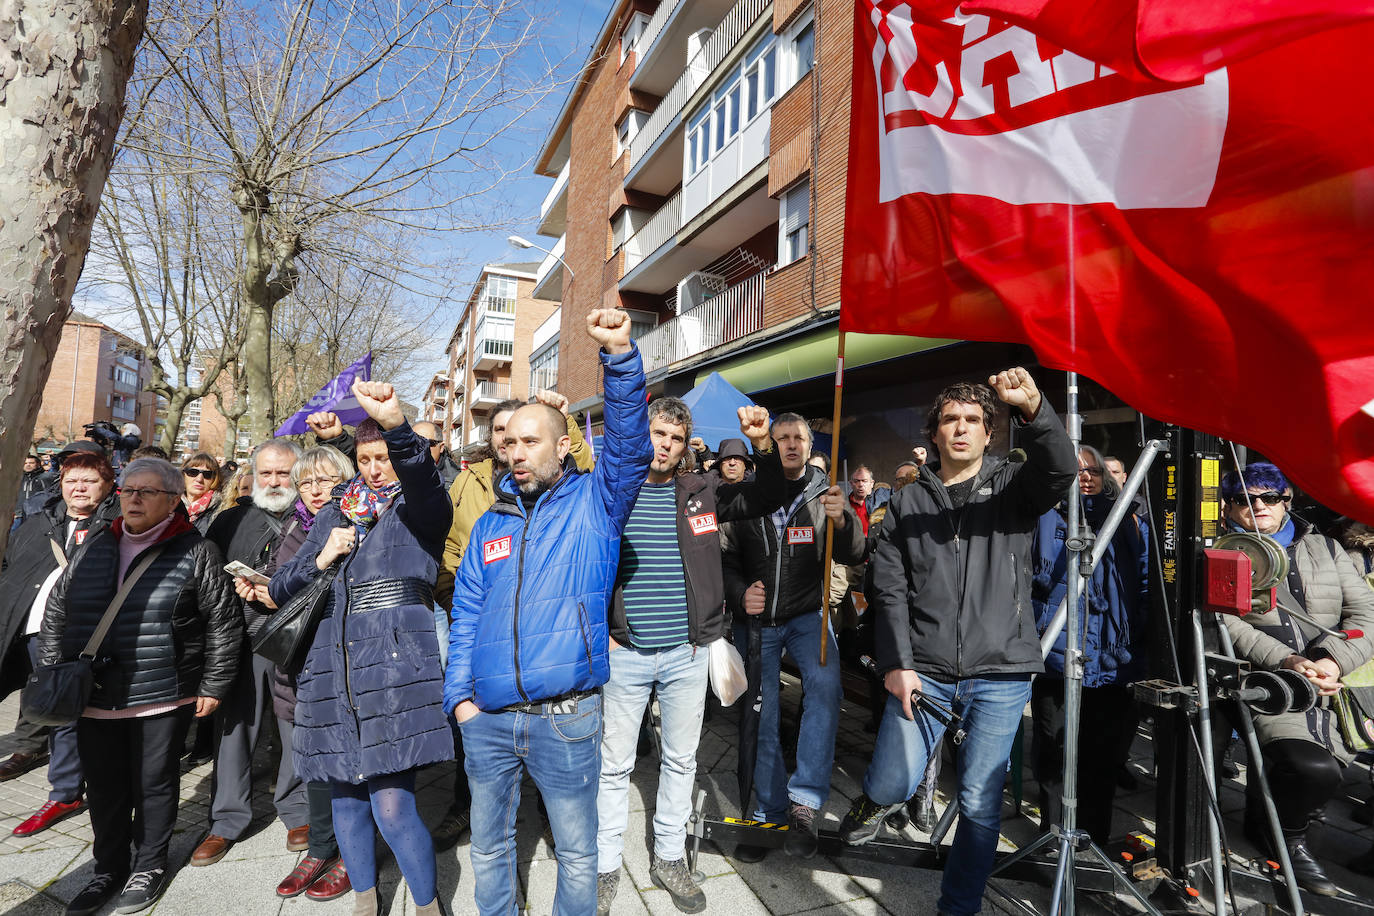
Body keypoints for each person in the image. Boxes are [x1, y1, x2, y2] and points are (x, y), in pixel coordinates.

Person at [838, 369, 1076, 916]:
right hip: (924, 668)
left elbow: (1061, 469)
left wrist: (1034, 409)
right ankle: (875, 800)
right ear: (935, 432)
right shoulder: (906, 503)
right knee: (894, 779)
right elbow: (888, 588)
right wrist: (896, 664)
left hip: (1001, 671)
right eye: (951, 419)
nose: (962, 428)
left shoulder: (1015, 486)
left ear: (990, 433)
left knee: (978, 802)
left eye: (973, 420)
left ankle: (958, 907)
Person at [446, 309, 652, 916]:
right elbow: (466, 613)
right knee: (489, 848)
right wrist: (460, 699)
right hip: (487, 719)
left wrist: (620, 357)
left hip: (566, 719)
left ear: (563, 445)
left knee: (577, 852)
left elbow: (629, 448)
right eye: (508, 442)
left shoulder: (597, 504)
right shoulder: (491, 523)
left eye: (530, 441)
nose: (516, 453)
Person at [271, 382, 454, 916]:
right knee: (346, 803)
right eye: (366, 459)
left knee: (393, 807)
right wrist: (320, 557)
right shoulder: (335, 513)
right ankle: (365, 901)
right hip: (328, 670)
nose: (375, 470)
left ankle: (427, 906)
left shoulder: (421, 508)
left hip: (393, 669)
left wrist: (396, 427)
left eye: (384, 458)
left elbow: (421, 475)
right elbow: (280, 587)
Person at [596, 399, 781, 914]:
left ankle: (669, 856)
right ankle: (605, 865)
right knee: (613, 767)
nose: (666, 445)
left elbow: (767, 494)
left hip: (687, 652)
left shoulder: (702, 491)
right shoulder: (613, 491)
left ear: (685, 447)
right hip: (625, 653)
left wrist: (763, 445)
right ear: (642, 433)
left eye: (676, 439)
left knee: (681, 760)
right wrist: (603, 633)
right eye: (659, 434)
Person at [39, 457, 241, 915]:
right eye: (129, 490)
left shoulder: (196, 551)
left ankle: (148, 865)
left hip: (162, 694)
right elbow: (57, 610)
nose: (133, 499)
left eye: (147, 492)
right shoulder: (96, 545)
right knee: (104, 788)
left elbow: (223, 623)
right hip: (93, 695)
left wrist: (214, 683)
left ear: (172, 501)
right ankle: (107, 868)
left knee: (154, 785)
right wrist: (53, 671)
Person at [426, 390, 593, 851]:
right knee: (485, 788)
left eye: (522, 435)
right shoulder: (470, 485)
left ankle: (547, 814)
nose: (509, 443)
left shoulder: (559, 489)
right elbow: (451, 547)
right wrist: (454, 598)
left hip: (548, 662)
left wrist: (565, 421)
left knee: (552, 768)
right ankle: (464, 806)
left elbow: (589, 468)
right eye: (502, 432)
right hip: (481, 638)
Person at [1219, 463, 1374, 896]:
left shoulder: (1326, 547)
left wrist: (1334, 661)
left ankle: (1273, 823)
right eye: (1246, 498)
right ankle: (1287, 841)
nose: (1259, 506)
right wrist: (1286, 659)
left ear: (1287, 501)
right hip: (1272, 683)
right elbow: (1225, 621)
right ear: (1229, 506)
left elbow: (1365, 613)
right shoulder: (1223, 551)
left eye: (1270, 497)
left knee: (1326, 772)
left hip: (1335, 682)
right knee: (1314, 770)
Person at [722, 413, 864, 861]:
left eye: (798, 437)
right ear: (771, 444)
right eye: (781, 437)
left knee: (825, 687)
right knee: (760, 713)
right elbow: (724, 558)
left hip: (807, 615)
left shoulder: (825, 493)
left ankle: (805, 803)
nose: (789, 444)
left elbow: (855, 552)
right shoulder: (747, 493)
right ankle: (769, 811)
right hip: (758, 623)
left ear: (808, 443)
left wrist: (844, 521)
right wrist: (739, 593)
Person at [1030, 444, 1149, 847]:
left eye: (1093, 471)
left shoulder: (1129, 522)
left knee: (1102, 756)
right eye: (1075, 470)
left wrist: (1139, 638)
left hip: (1112, 662)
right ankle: (1053, 833)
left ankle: (1093, 835)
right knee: (1053, 753)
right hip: (1056, 658)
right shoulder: (1043, 517)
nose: (1085, 477)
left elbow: (1146, 585)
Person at [193, 439, 304, 867]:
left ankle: (297, 811)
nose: (274, 481)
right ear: (252, 476)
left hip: (298, 639)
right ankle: (226, 820)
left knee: (295, 729)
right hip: (243, 639)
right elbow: (206, 585)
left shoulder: (315, 516)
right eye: (266, 473)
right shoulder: (229, 521)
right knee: (235, 731)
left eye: (283, 473)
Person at [0, 452, 121, 840]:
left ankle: (65, 793)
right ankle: (48, 766)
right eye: (71, 480)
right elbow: (12, 568)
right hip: (27, 632)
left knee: (67, 714)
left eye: (89, 480)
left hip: (79, 638)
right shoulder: (39, 522)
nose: (79, 488)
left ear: (108, 486)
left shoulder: (116, 527)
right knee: (46, 708)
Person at [267, 446, 356, 902]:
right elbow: (279, 585)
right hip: (305, 659)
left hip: (352, 657)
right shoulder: (295, 528)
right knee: (318, 759)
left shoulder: (361, 522)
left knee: (355, 761)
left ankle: (353, 853)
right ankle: (321, 846)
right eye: (306, 482)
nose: (315, 490)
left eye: (326, 480)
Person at [180, 453, 223, 534]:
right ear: (183, 475)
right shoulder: (168, 507)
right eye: (193, 472)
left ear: (215, 479)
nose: (199, 479)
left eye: (207, 474)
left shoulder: (221, 512)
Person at [412, 420, 461, 489]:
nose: (418, 448)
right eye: (413, 443)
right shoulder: (399, 471)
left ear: (441, 447)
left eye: (425, 443)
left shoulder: (458, 481)